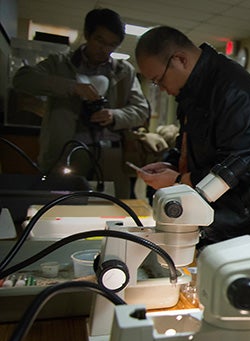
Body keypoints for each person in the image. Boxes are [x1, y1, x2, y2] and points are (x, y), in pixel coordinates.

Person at [134, 26, 250, 247]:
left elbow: (240, 165)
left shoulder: (234, 89)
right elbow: (192, 145)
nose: (161, 89)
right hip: (211, 215)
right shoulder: (192, 90)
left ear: (180, 59)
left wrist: (177, 181)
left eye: (159, 79)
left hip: (241, 223)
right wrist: (170, 164)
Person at [12, 8, 149, 199]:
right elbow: (22, 79)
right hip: (64, 152)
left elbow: (141, 110)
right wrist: (72, 87)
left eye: (112, 45)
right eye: (100, 41)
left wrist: (114, 115)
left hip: (110, 155)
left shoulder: (124, 71)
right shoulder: (59, 64)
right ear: (87, 34)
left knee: (113, 208)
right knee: (60, 205)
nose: (105, 50)